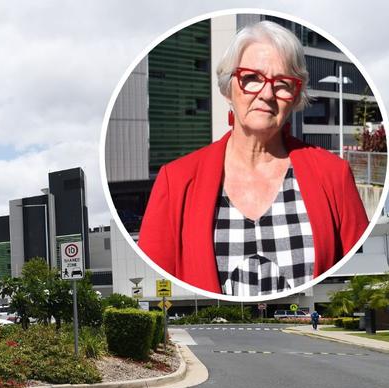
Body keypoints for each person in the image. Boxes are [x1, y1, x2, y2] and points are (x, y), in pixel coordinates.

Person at [138, 21, 369, 296]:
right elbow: (153, 277)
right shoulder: (176, 180)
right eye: (252, 78)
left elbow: (355, 273)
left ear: (295, 98)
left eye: (283, 83)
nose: (267, 93)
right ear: (228, 89)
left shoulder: (333, 175)